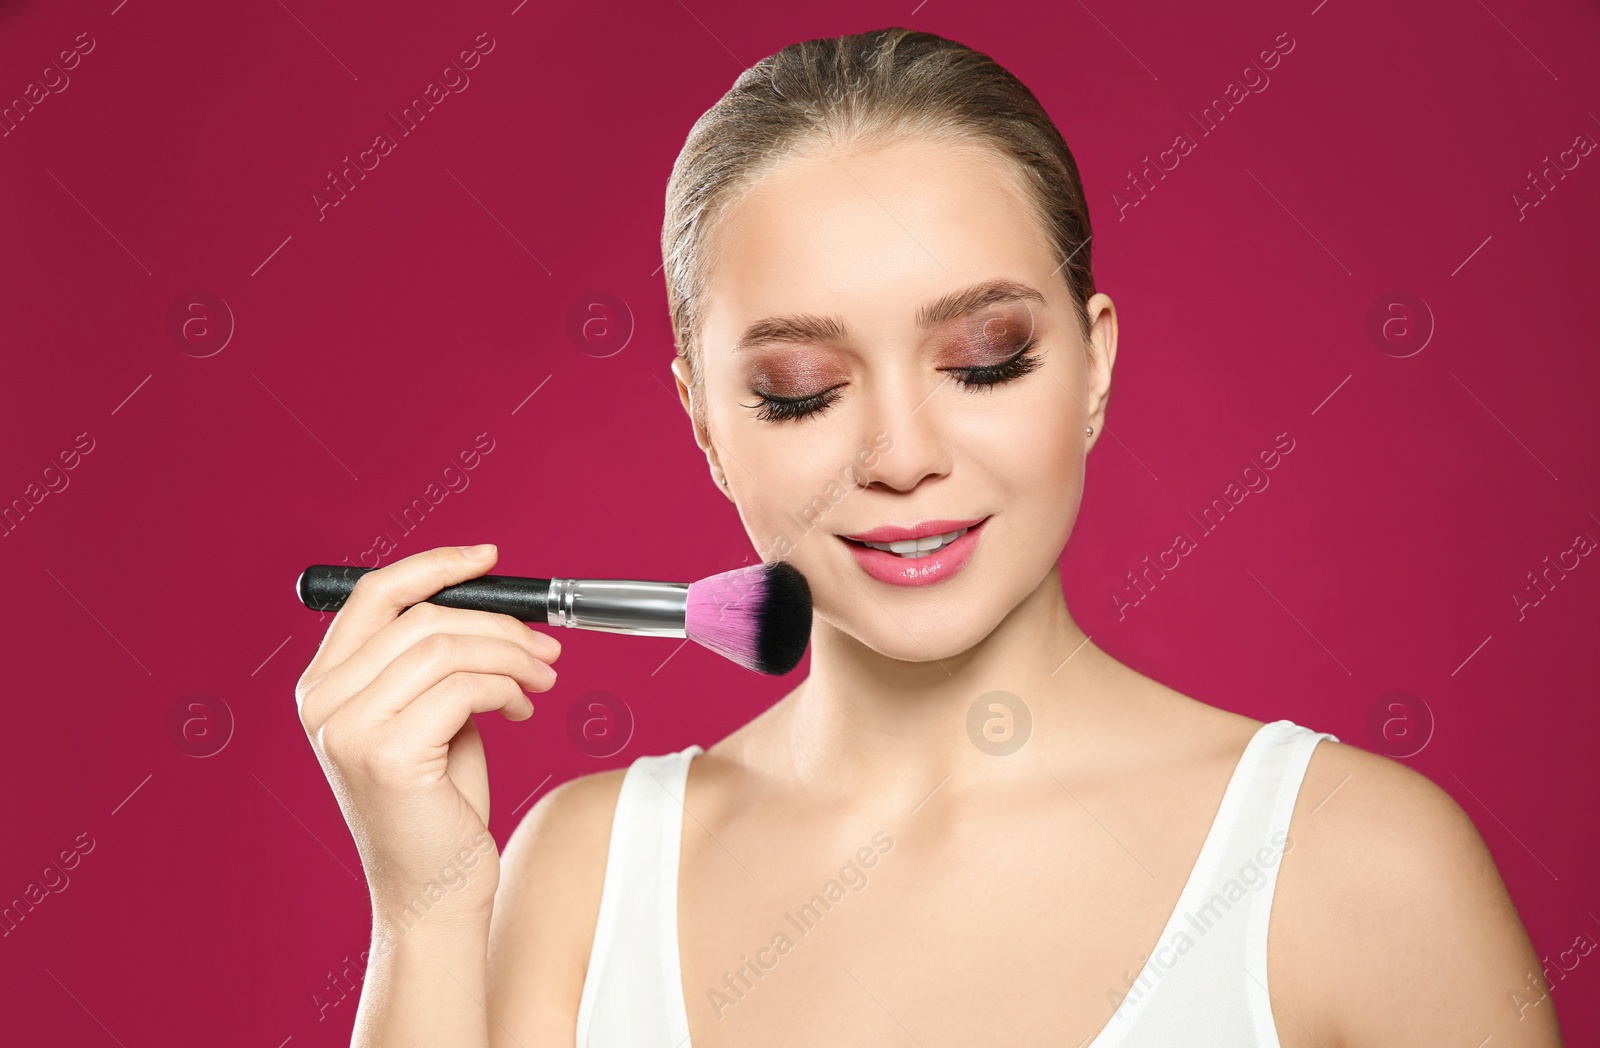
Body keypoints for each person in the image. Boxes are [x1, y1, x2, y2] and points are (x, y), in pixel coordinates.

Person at [294, 26, 1564, 1048]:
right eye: (800, 386)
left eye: (984, 359)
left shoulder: (1354, 864)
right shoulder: (578, 874)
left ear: (1094, 365)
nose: (900, 455)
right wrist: (425, 908)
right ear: (705, 419)